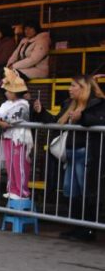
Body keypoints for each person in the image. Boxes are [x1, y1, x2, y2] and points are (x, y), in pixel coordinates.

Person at [53, 75, 105, 241]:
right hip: (71, 152)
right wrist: (39, 112)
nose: (69, 89)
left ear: (83, 88)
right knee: (71, 190)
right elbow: (55, 121)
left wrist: (81, 118)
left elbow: (99, 120)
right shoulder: (69, 104)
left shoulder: (97, 104)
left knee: (86, 192)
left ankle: (88, 229)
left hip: (86, 152)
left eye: (73, 85)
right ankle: (76, 226)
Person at [0, 68, 33, 200]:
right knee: (10, 164)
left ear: (15, 92)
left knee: (20, 165)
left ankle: (22, 192)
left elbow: (13, 118)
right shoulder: (7, 103)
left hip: (19, 137)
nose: (6, 93)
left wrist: (0, 120)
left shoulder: (23, 104)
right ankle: (12, 189)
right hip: (8, 136)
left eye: (8, 91)